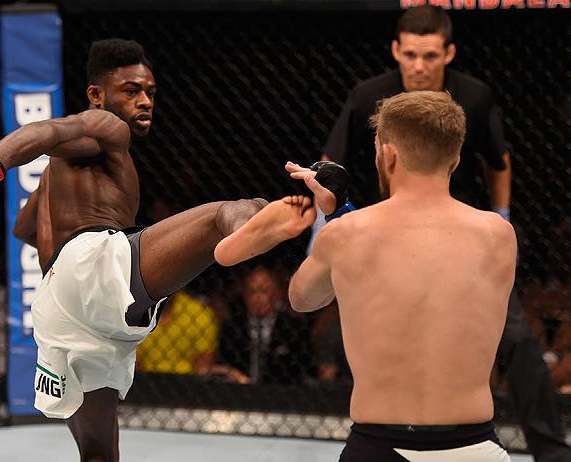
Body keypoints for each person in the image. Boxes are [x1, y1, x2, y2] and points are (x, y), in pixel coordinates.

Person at [0, 38, 315, 462]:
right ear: (97, 95)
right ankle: (238, 234)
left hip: (59, 310)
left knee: (98, 453)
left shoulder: (57, 175)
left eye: (150, 92)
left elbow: (24, 229)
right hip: (89, 264)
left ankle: (234, 239)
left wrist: (9, 189)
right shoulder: (107, 127)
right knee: (234, 209)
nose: (144, 101)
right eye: (130, 90)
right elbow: (48, 130)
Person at [313, 6, 570, 461]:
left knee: (515, 336)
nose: (419, 66)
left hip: (463, 235)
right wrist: (329, 227)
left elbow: (499, 161)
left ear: (448, 53)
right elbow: (329, 163)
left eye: (430, 56)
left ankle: (551, 453)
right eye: (410, 54)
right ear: (395, 50)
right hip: (383, 236)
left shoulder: (472, 96)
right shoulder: (369, 96)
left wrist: (500, 218)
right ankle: (382, 430)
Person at [220, 90, 517, 461]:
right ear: (455, 158)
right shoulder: (499, 236)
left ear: (388, 153)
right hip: (476, 448)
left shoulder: (349, 235)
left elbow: (302, 298)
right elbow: (421, 262)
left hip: (379, 447)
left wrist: (337, 216)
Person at [214, 265, 313, 385]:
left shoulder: (293, 328)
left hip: (282, 393)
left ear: (277, 294)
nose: (257, 298)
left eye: (264, 291)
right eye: (252, 291)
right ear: (244, 295)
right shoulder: (232, 328)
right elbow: (223, 363)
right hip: (238, 391)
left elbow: (303, 368)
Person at [136, 289, 219, 376]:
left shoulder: (200, 314)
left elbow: (203, 365)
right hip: (145, 379)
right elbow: (133, 362)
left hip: (187, 381)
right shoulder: (135, 310)